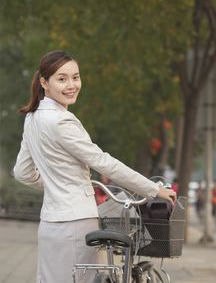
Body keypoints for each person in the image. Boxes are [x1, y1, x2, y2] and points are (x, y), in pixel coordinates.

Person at [13, 50, 176, 283]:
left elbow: (22, 172)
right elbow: (104, 162)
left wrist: (55, 182)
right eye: (62, 79)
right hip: (76, 222)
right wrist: (153, 189)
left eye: (76, 77)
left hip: (50, 225)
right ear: (44, 83)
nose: (72, 85)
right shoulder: (62, 121)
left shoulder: (33, 118)